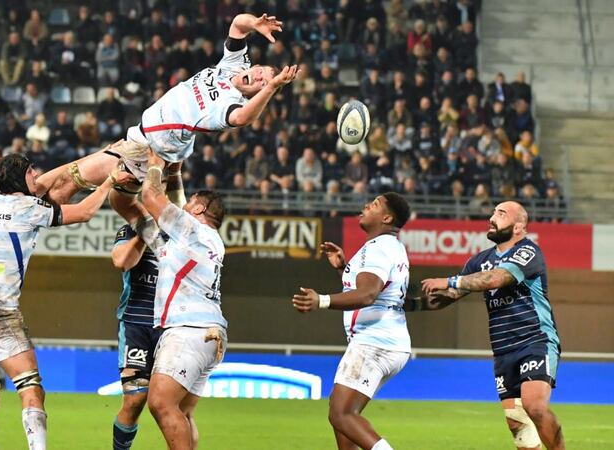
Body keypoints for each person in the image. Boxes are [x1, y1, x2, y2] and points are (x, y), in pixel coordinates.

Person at [36, 13, 297, 215]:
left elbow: (241, 118)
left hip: (144, 151)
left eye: (263, 83)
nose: (258, 77)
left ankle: (34, 217)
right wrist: (255, 24)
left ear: (259, 93)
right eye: (261, 71)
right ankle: (163, 242)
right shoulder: (234, 65)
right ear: (255, 65)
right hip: (140, 139)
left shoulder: (232, 104)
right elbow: (238, 25)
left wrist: (271, 88)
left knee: (68, 181)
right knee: (116, 205)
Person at [0, 154, 127, 450]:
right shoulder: (27, 209)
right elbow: (84, 212)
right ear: (19, 179)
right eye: (29, 171)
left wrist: (85, 162)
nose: (35, 175)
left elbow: (40, 185)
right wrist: (109, 180)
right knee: (32, 390)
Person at [420, 201, 564, 450]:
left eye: (501, 213)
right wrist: (404, 304)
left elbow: (496, 278)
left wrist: (449, 280)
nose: (492, 217)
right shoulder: (479, 260)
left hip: (534, 340)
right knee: (517, 423)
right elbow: (448, 296)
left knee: (534, 407)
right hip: (503, 350)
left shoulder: (528, 251)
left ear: (518, 227)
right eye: (493, 212)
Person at [292, 192, 412, 450]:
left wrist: (321, 300)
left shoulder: (378, 248)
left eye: (375, 204)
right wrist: (343, 268)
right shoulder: (391, 247)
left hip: (374, 342)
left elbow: (368, 294)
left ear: (387, 218)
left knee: (341, 414)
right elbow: (371, 289)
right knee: (344, 416)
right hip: (386, 341)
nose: (367, 205)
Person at [133, 149, 226, 450]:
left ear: (199, 208)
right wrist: (175, 172)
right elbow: (168, 208)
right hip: (210, 333)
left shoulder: (190, 229)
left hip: (189, 330)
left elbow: (150, 196)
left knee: (160, 403)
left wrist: (155, 165)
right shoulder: (208, 240)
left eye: (190, 202)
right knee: (182, 413)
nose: (183, 206)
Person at [109, 165, 183, 450]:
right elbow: (121, 262)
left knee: (175, 404)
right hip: (137, 323)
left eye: (162, 186)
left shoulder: (180, 229)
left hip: (172, 325)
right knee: (135, 399)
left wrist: (175, 171)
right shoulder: (129, 229)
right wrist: (145, 232)